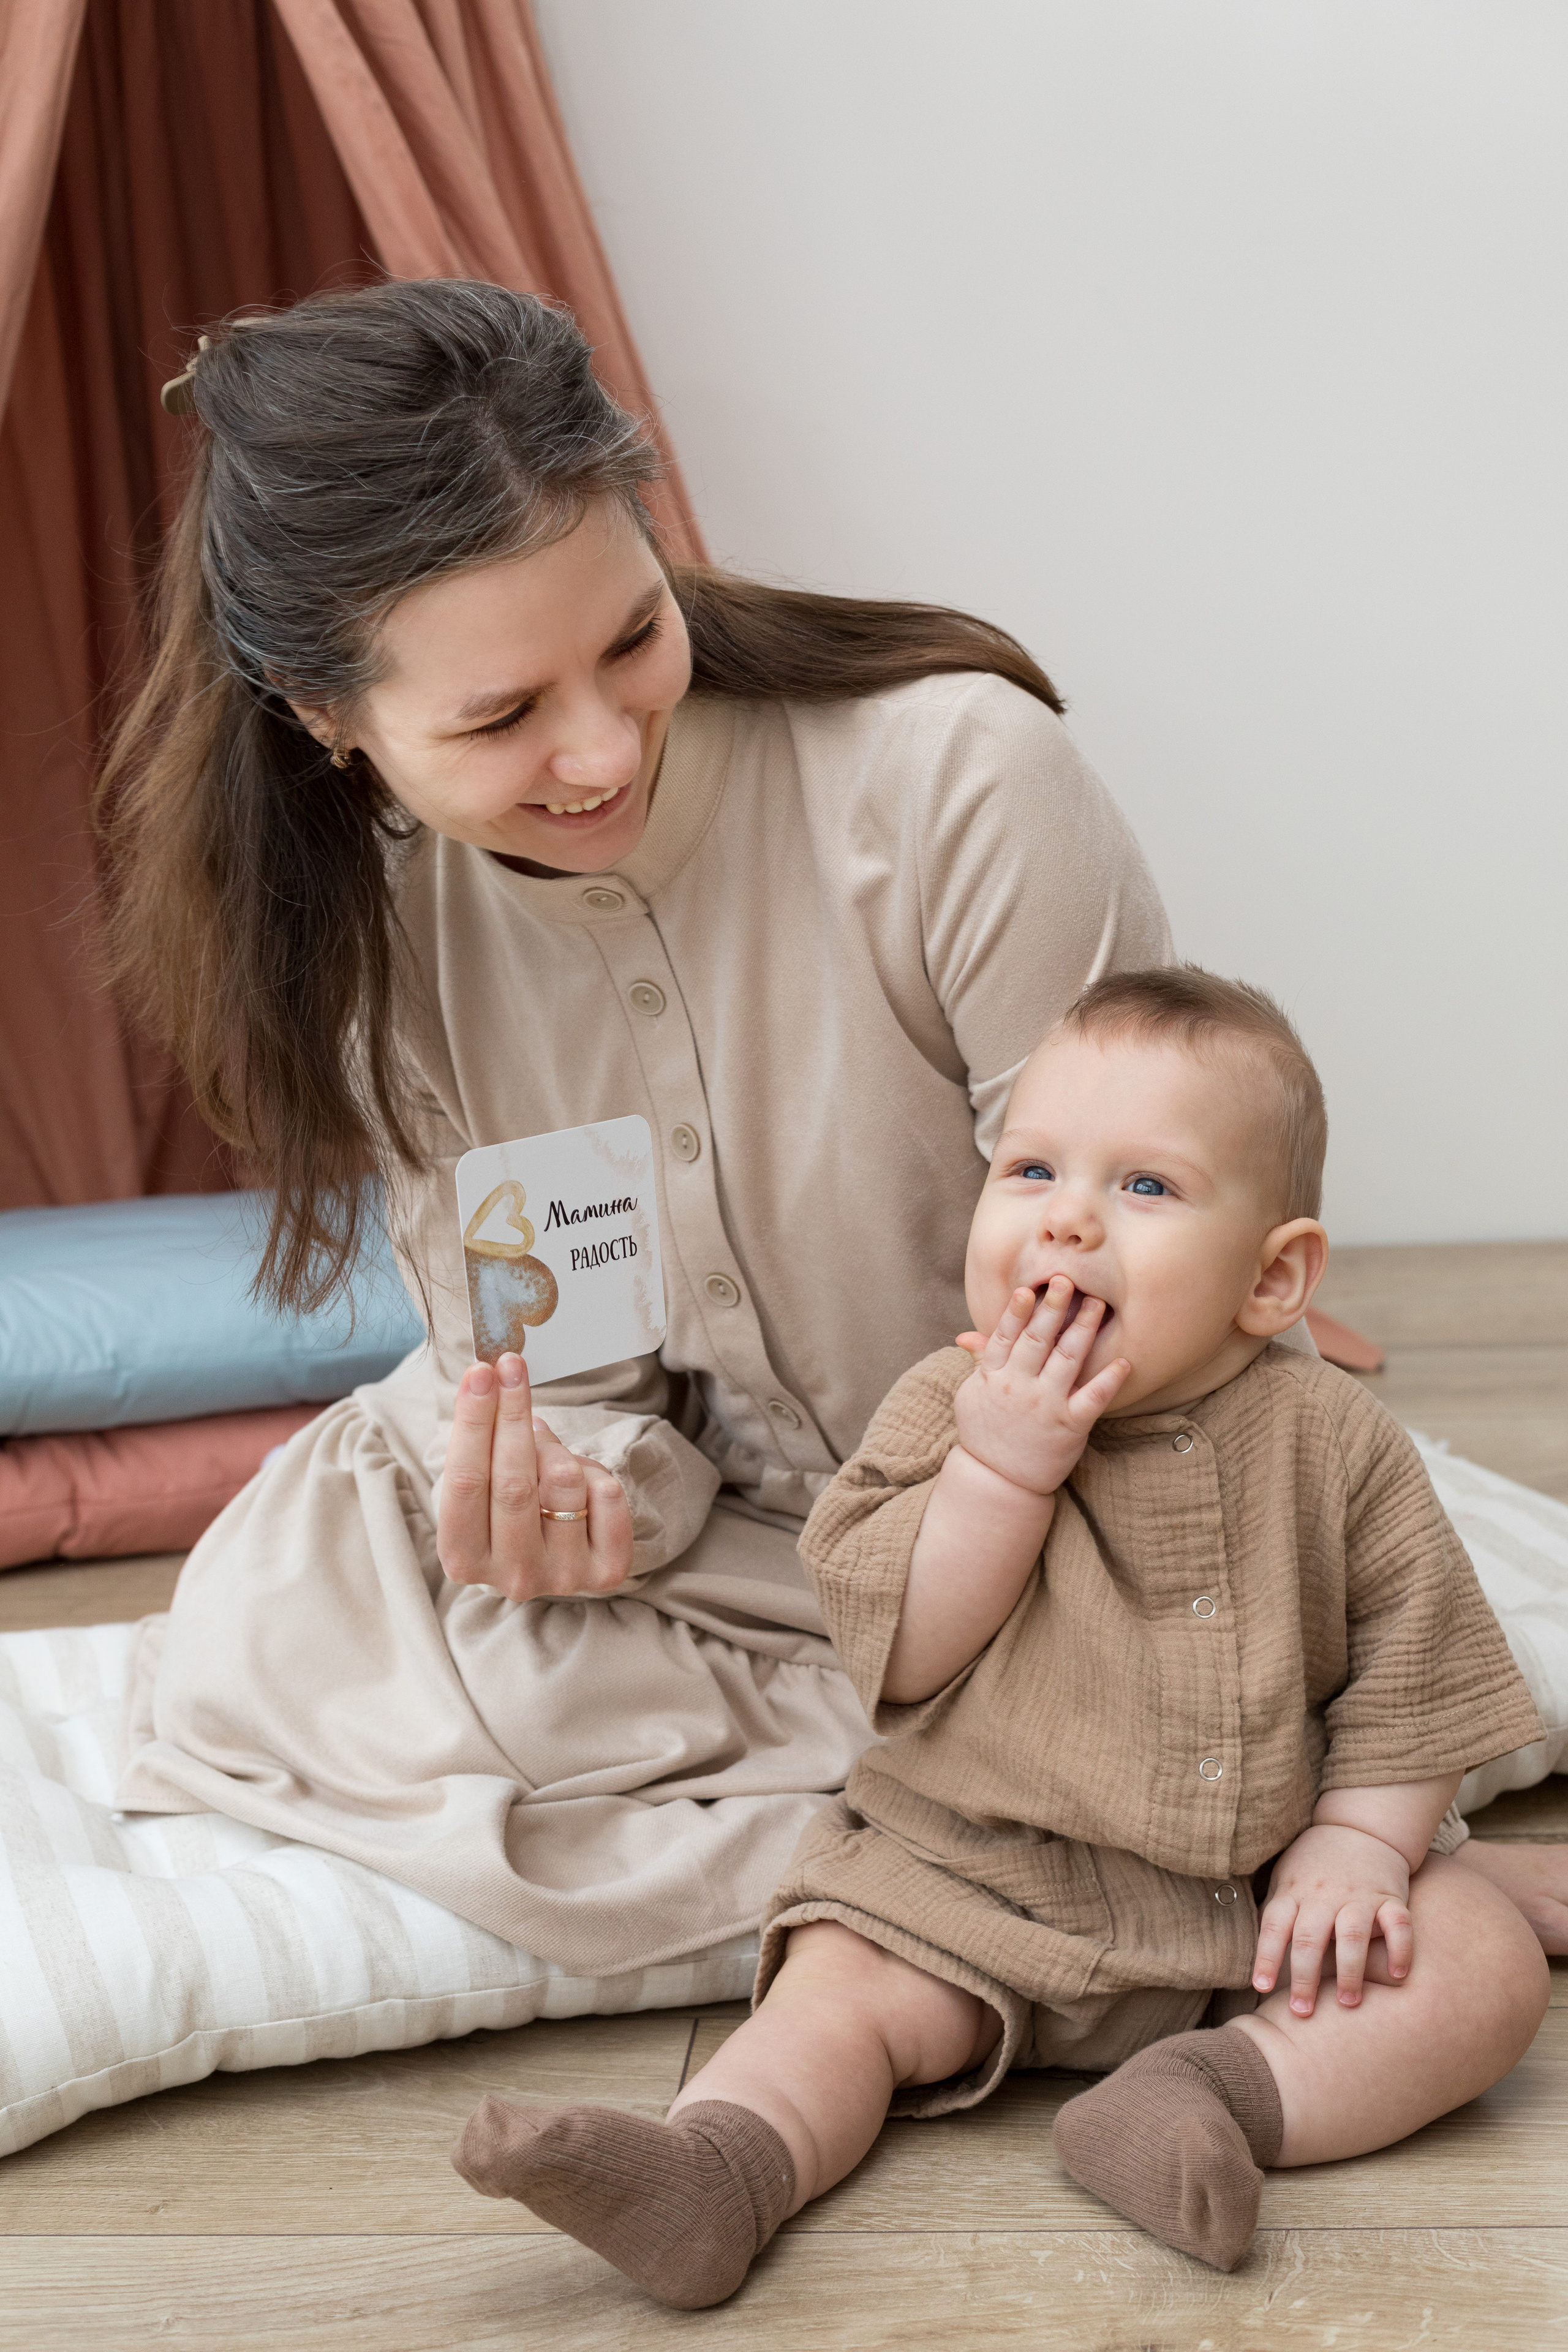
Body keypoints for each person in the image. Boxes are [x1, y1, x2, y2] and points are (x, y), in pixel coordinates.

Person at [102, 279, 1562, 1999]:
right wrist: (583, 1505)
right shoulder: (392, 962)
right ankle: (1071, 1874)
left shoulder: (956, 779)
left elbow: (1133, 1273)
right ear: (323, 713)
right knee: (281, 1633)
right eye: (499, 720)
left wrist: (987, 1518)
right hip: (734, 1553)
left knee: (1221, 1675)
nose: (595, 748)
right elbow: (584, 1381)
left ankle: (1063, 1879)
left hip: (1070, 1492)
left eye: (634, 638)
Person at [449, 970, 1548, 2307]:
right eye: (1029, 1169)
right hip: (967, 1891)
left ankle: (1209, 2097)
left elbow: (1414, 1664)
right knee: (837, 1994)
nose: (1069, 1218)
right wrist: (1001, 1472)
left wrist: (1359, 1847)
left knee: (1476, 1971)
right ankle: (719, 2167)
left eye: (1143, 1189)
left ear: (1271, 1279)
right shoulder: (944, 1407)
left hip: (1249, 1910)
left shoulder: (1332, 1442)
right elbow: (900, 1653)